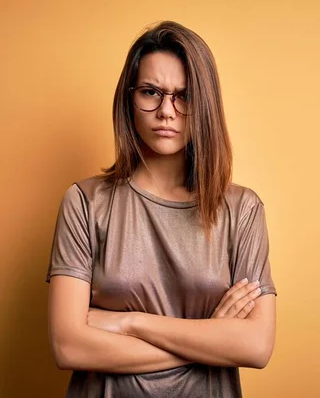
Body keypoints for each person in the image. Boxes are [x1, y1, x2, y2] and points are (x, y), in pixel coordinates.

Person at [46, 20, 277, 398]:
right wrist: (210, 337)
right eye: (151, 92)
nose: (166, 111)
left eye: (183, 96)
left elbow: (255, 346)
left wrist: (131, 323)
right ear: (129, 99)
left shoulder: (243, 209)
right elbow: (69, 346)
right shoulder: (84, 203)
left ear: (204, 105)